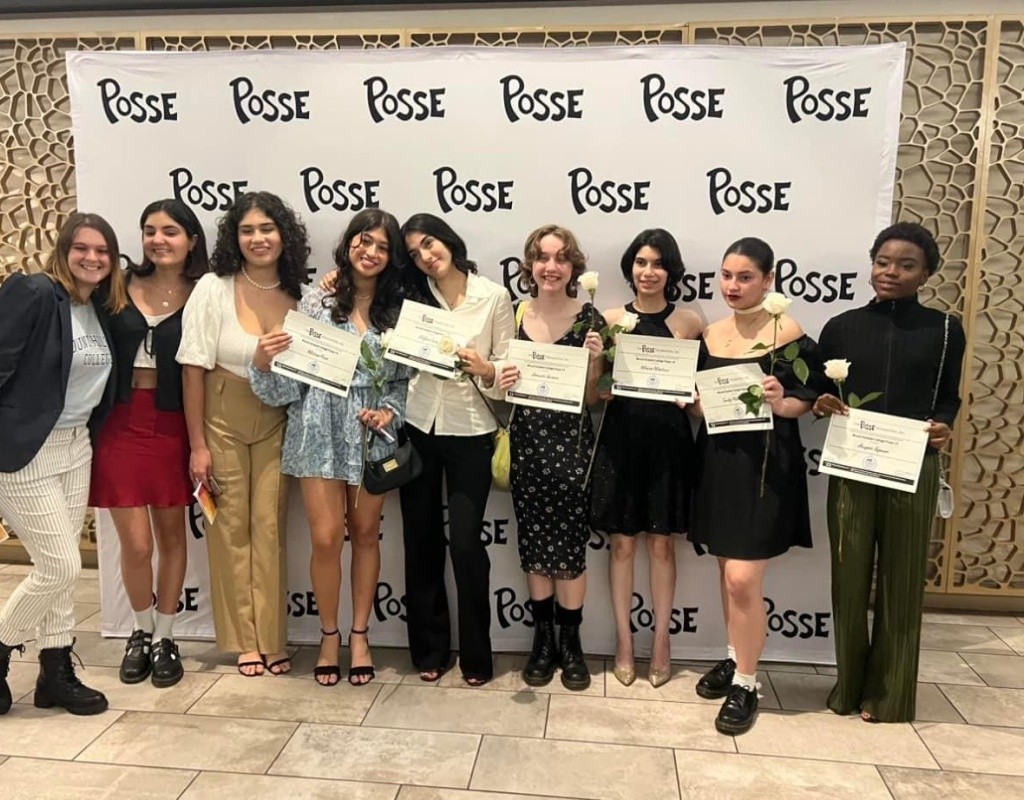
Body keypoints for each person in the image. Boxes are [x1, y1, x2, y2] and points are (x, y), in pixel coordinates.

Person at [250, 209, 409, 687]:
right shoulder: (316, 303)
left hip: (371, 436)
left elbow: (404, 384)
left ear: (391, 256)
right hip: (317, 426)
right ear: (348, 245)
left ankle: (360, 635)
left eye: (382, 246)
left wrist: (389, 414)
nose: (371, 252)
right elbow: (283, 386)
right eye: (364, 241)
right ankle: (327, 634)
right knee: (324, 538)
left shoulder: (398, 313)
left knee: (365, 534)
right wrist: (263, 362)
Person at [813, 222, 965, 723]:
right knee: (848, 579)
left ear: (927, 273)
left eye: (906, 265)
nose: (891, 273)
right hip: (853, 467)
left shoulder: (945, 330)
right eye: (883, 261)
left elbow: (947, 396)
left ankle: (892, 695)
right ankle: (848, 687)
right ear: (871, 261)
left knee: (902, 583)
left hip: (913, 468)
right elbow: (817, 392)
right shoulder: (841, 326)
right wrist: (822, 402)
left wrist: (943, 425)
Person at [689, 237, 821, 735]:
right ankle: (732, 655)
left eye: (745, 277)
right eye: (726, 275)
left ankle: (747, 682)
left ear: (769, 280)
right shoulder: (710, 334)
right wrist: (696, 405)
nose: (732, 286)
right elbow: (697, 403)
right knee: (727, 574)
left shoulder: (789, 335)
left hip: (766, 468)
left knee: (744, 581)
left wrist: (780, 397)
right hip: (718, 464)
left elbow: (804, 403)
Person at [176, 191, 309, 677]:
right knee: (228, 529)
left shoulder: (299, 293)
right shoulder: (214, 286)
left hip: (278, 420)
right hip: (220, 416)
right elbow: (192, 367)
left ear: (284, 235)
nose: (258, 238)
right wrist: (197, 445)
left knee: (269, 529)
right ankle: (242, 641)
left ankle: (272, 639)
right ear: (235, 237)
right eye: (248, 230)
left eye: (267, 229)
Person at [0, 212, 127, 715]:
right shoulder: (33, 292)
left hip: (77, 446)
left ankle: (55, 672)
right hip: (27, 448)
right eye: (83, 248)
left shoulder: (96, 306)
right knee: (60, 565)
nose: (92, 258)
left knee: (59, 569)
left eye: (103, 251)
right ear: (64, 249)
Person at [90, 199, 209, 689]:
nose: (158, 239)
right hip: (119, 423)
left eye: (170, 232)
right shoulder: (115, 286)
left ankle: (165, 636)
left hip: (174, 424)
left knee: (172, 536)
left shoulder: (204, 293)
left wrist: (200, 444)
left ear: (192, 241)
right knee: (136, 544)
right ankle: (138, 631)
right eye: (149, 231)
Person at [399, 213, 515, 686]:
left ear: (448, 240)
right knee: (421, 540)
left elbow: (508, 369)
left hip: (471, 429)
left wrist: (487, 369)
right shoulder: (409, 297)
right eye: (414, 253)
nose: (426, 256)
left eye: (429, 244)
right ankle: (429, 649)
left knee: (466, 543)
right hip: (419, 426)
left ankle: (477, 654)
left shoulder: (494, 296)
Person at [589, 229, 702, 689]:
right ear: (629, 268)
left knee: (660, 544)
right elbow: (594, 397)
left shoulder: (690, 323)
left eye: (657, 263)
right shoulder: (610, 318)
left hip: (668, 445)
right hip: (620, 442)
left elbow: (701, 397)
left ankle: (661, 641)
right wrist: (599, 374)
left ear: (671, 271)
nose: (648, 272)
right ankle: (622, 639)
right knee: (622, 545)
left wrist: (690, 399)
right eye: (640, 262)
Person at [496, 225, 604, 691]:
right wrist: (500, 380)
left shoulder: (591, 319)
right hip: (527, 445)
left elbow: (592, 398)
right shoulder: (515, 314)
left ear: (573, 266)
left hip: (573, 448)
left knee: (571, 553)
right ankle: (542, 642)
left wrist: (596, 362)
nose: (551, 266)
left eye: (561, 258)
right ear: (530, 266)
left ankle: (571, 643)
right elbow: (500, 389)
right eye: (542, 257)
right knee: (535, 549)